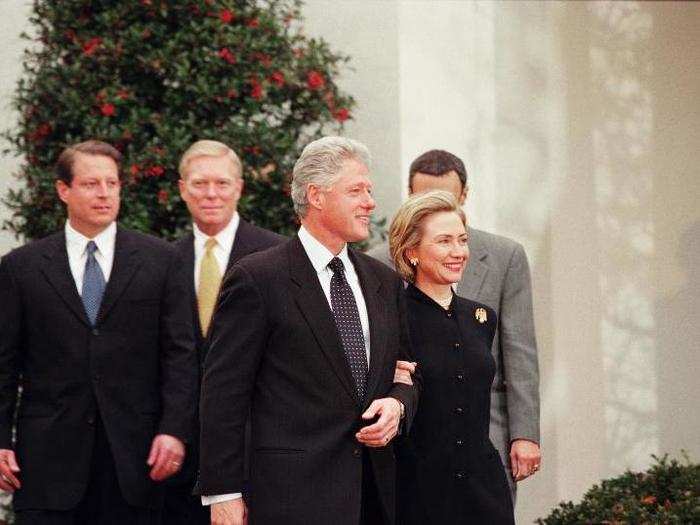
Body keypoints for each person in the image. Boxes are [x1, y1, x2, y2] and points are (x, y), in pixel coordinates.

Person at [198, 136, 421, 525]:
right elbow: (223, 394)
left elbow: (406, 369)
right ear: (316, 196)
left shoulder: (383, 281)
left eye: (369, 190)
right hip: (290, 498)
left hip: (375, 494)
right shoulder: (257, 279)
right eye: (356, 190)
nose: (370, 202)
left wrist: (398, 405)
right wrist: (224, 493)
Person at [0, 140, 198, 524]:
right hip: (47, 464)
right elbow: (3, 364)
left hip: (136, 460)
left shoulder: (162, 262)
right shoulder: (20, 269)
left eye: (112, 183)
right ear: (63, 190)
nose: (105, 193)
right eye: (91, 184)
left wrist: (174, 429)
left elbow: (181, 355)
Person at [368, 150, 540, 497]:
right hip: (411, 449)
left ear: (464, 196)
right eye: (424, 196)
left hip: (486, 441)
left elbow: (519, 352)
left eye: (460, 240)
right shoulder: (375, 263)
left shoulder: (506, 257)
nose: (457, 251)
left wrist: (525, 433)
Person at [164, 140, 284, 524]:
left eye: (222, 183)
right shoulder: (165, 260)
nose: (211, 194)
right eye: (200, 184)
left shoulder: (276, 255)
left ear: (240, 187)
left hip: (258, 449)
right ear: (182, 188)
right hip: (181, 456)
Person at [390, 190, 514, 524]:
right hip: (418, 494)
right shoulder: (391, 319)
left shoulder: (482, 317)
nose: (458, 252)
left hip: (484, 492)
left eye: (462, 240)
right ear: (411, 251)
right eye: (444, 241)